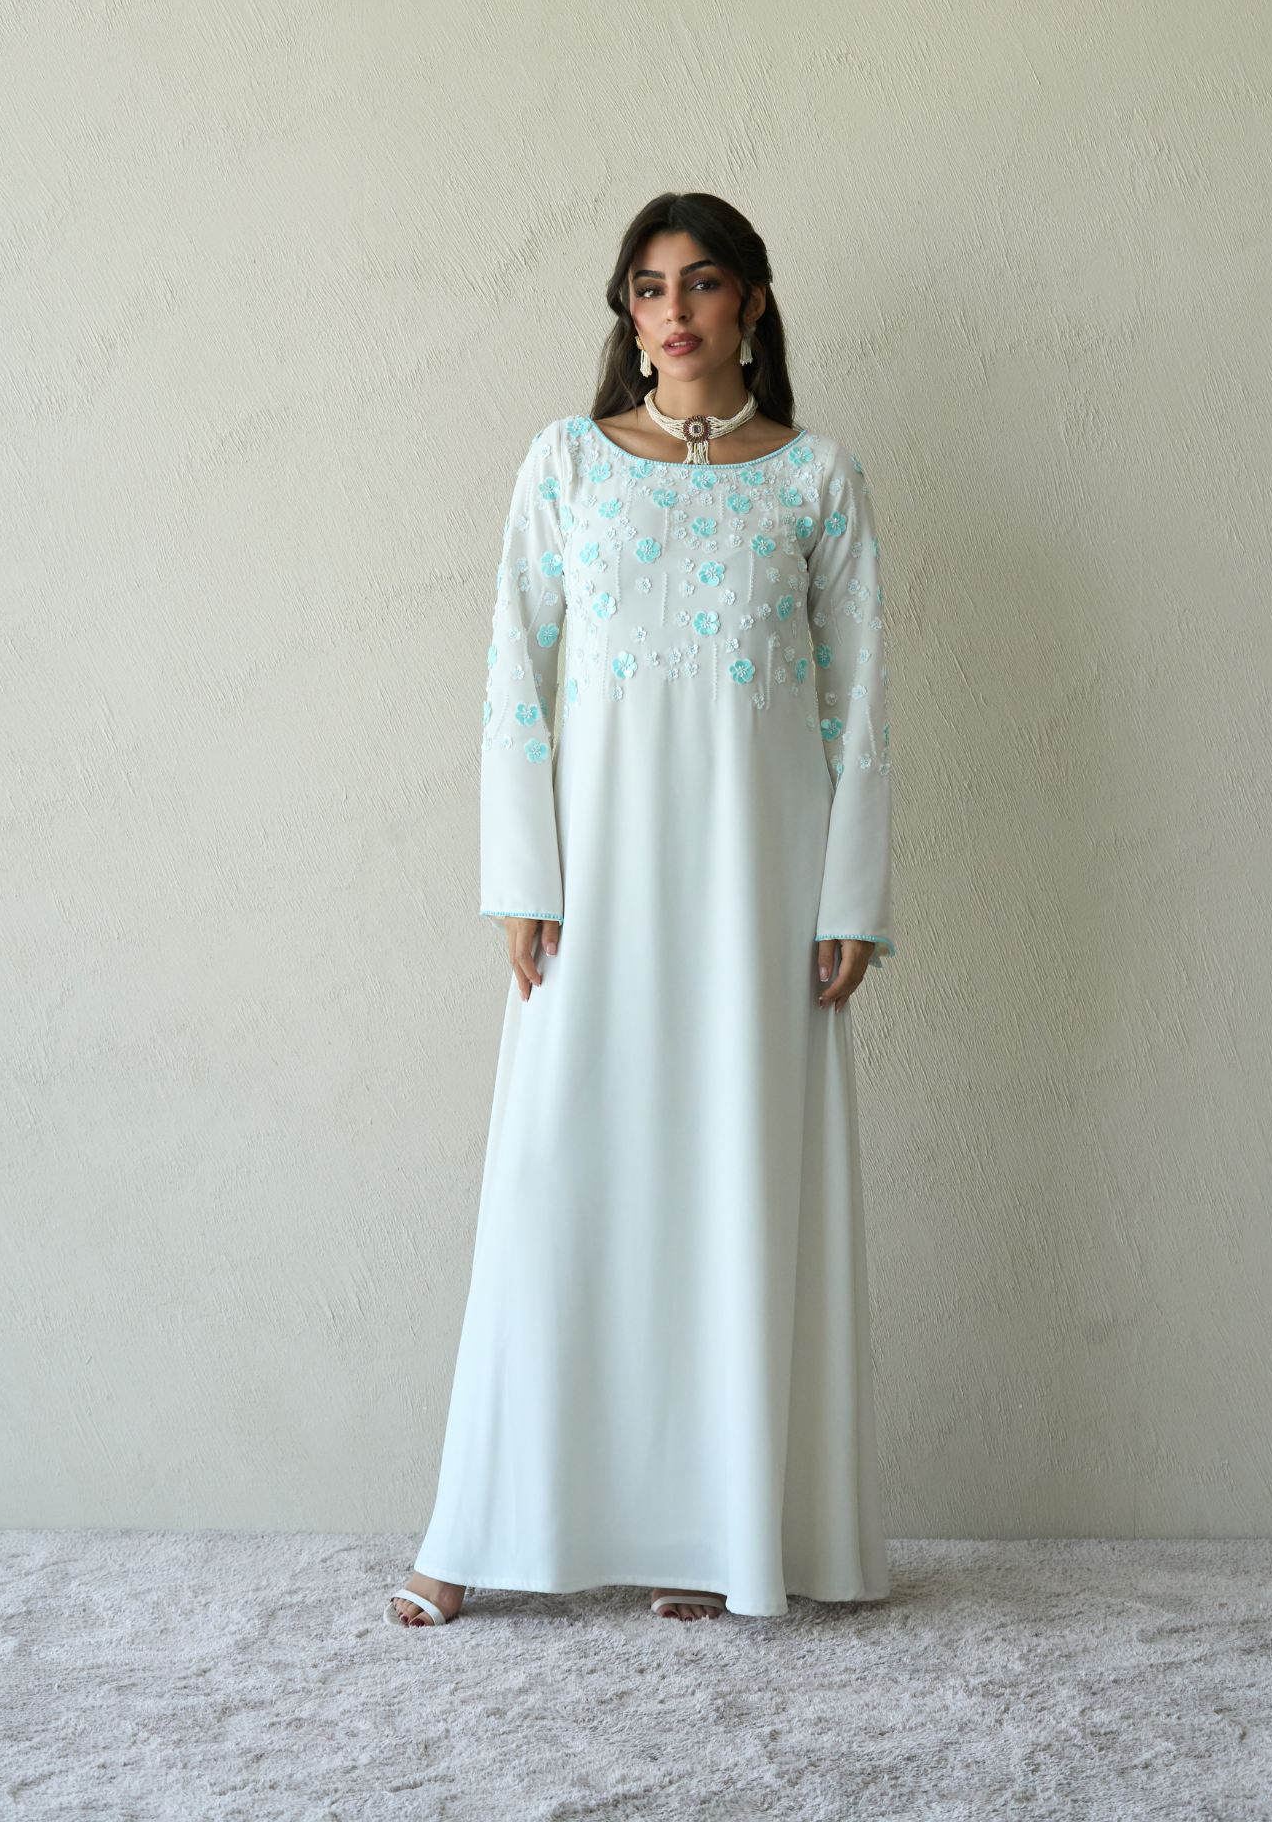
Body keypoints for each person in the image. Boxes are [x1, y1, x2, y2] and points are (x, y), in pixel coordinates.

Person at [385, 191, 894, 1630]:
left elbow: (860, 706)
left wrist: (850, 896)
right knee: (557, 1177)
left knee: (734, 1178)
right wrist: (522, 878)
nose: (675, 310)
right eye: (651, 287)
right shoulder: (566, 464)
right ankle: (472, 1530)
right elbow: (516, 673)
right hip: (595, 883)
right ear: (628, 310)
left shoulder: (818, 479)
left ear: (751, 303)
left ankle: (715, 1535)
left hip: (760, 886)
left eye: (704, 282)